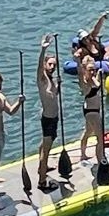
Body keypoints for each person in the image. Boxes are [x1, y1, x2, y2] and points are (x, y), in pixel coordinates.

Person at [74, 33, 109, 173]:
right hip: (91, 112)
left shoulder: (95, 77)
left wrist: (100, 77)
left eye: (93, 68)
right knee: (100, 138)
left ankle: (83, 154)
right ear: (85, 70)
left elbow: (99, 88)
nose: (92, 71)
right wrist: (78, 61)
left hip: (95, 110)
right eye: (90, 69)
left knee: (88, 132)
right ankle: (100, 159)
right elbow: (79, 71)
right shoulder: (85, 82)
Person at [36, 38, 62, 188]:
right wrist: (43, 50)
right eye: (50, 64)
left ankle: (42, 168)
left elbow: (53, 96)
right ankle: (42, 181)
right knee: (46, 151)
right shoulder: (42, 78)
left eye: (54, 65)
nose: (52, 67)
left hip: (53, 118)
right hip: (48, 120)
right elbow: (39, 67)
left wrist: (58, 86)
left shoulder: (51, 81)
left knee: (46, 144)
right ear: (45, 64)